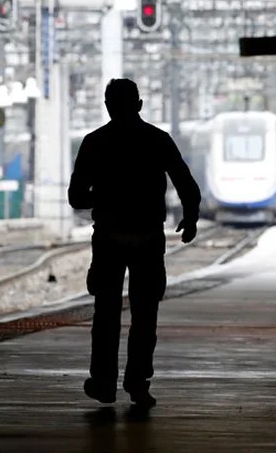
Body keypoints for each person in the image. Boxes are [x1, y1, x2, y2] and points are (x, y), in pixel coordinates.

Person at [68, 78, 201, 408]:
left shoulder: (94, 142)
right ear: (139, 105)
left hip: (109, 240)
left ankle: (103, 382)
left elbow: (75, 198)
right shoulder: (157, 140)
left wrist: (105, 196)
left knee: (106, 315)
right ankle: (138, 382)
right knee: (145, 314)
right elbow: (185, 181)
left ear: (108, 106)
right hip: (148, 240)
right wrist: (191, 216)